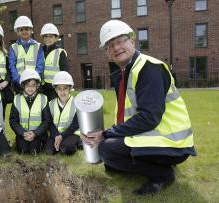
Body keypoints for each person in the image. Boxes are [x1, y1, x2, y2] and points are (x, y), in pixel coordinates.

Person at [81, 20, 196, 196]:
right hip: (155, 136)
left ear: (132, 42)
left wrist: (106, 134)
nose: (116, 48)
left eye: (120, 41)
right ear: (107, 53)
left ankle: (162, 174)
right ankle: (154, 163)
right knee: (111, 164)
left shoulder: (148, 68)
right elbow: (130, 116)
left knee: (106, 149)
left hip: (171, 142)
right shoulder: (127, 72)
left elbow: (149, 117)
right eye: (111, 45)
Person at [9, 69, 50, 154]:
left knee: (33, 151)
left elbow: (47, 121)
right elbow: (13, 121)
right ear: (23, 86)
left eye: (33, 85)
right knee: (23, 150)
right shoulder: (17, 99)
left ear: (37, 86)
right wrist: (23, 133)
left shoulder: (43, 98)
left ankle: (41, 143)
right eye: (28, 85)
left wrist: (35, 133)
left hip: (38, 134)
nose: (30, 88)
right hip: (23, 134)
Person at [45, 71, 80, 155]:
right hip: (56, 133)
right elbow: (50, 124)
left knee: (66, 149)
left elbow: (75, 125)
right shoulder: (51, 104)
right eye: (59, 89)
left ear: (70, 88)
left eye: (65, 88)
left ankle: (78, 143)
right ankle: (60, 143)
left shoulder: (77, 103)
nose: (62, 92)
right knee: (48, 151)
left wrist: (62, 136)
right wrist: (57, 136)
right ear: (55, 90)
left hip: (72, 133)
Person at [9, 16, 44, 94]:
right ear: (17, 32)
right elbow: (12, 66)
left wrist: (33, 80)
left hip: (34, 83)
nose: (24, 31)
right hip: (19, 84)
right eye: (21, 30)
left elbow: (40, 65)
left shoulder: (38, 46)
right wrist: (19, 80)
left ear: (31, 30)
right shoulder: (13, 47)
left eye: (27, 29)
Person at [40, 23, 69, 101]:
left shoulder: (60, 52)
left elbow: (65, 72)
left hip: (55, 90)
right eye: (46, 36)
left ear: (56, 38)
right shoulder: (40, 51)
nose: (48, 39)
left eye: (51, 36)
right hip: (42, 88)